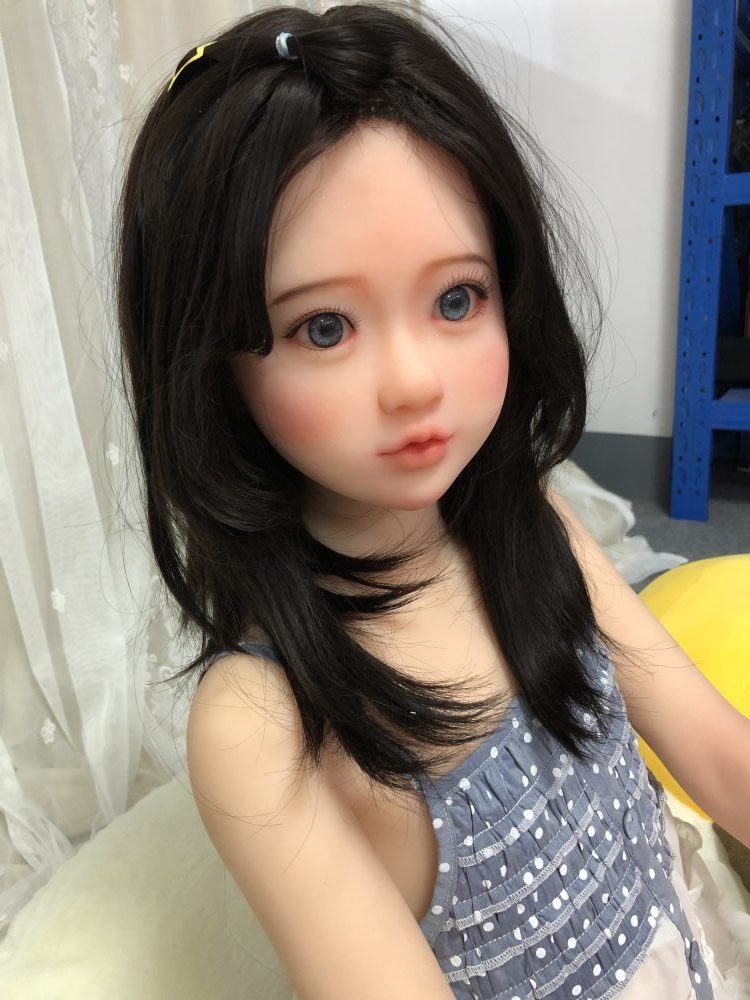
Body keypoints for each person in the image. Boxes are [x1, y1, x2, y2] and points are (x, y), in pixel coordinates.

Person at [114, 3, 750, 998]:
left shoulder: (531, 523)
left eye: (457, 298)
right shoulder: (260, 724)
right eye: (324, 327)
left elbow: (714, 750)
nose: (415, 383)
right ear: (213, 369)